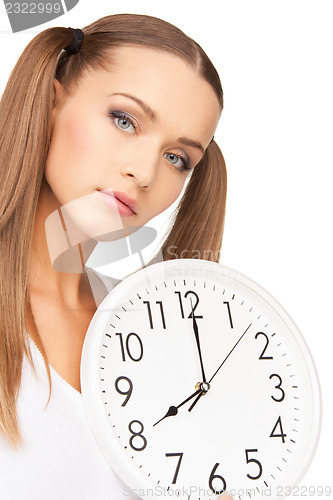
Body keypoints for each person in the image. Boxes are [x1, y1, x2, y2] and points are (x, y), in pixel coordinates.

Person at [0, 13, 232, 499]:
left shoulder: (151, 332)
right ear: (50, 104)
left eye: (177, 158)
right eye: (124, 120)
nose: (145, 171)